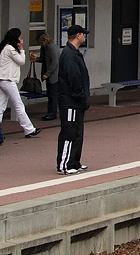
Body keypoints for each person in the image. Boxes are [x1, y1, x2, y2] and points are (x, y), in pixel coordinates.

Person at [56, 25, 91, 175]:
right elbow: (74, 79)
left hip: (76, 101)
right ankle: (64, 164)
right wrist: (82, 96)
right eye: (83, 34)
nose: (84, 37)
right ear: (78, 35)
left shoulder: (74, 53)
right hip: (70, 101)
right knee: (69, 132)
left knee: (77, 132)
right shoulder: (69, 55)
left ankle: (74, 161)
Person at [0, 28, 40, 139]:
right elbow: (21, 61)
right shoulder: (10, 48)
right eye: (19, 37)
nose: (21, 39)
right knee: (18, 105)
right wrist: (22, 48)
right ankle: (29, 129)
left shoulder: (5, 47)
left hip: (2, 79)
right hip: (8, 80)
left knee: (0, 107)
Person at [37, 32, 61, 121]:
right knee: (51, 95)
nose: (40, 45)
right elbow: (43, 59)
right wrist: (36, 59)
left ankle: (52, 113)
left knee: (53, 95)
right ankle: (50, 112)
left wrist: (47, 73)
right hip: (49, 75)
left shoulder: (52, 47)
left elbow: (55, 62)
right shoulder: (45, 48)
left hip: (53, 76)